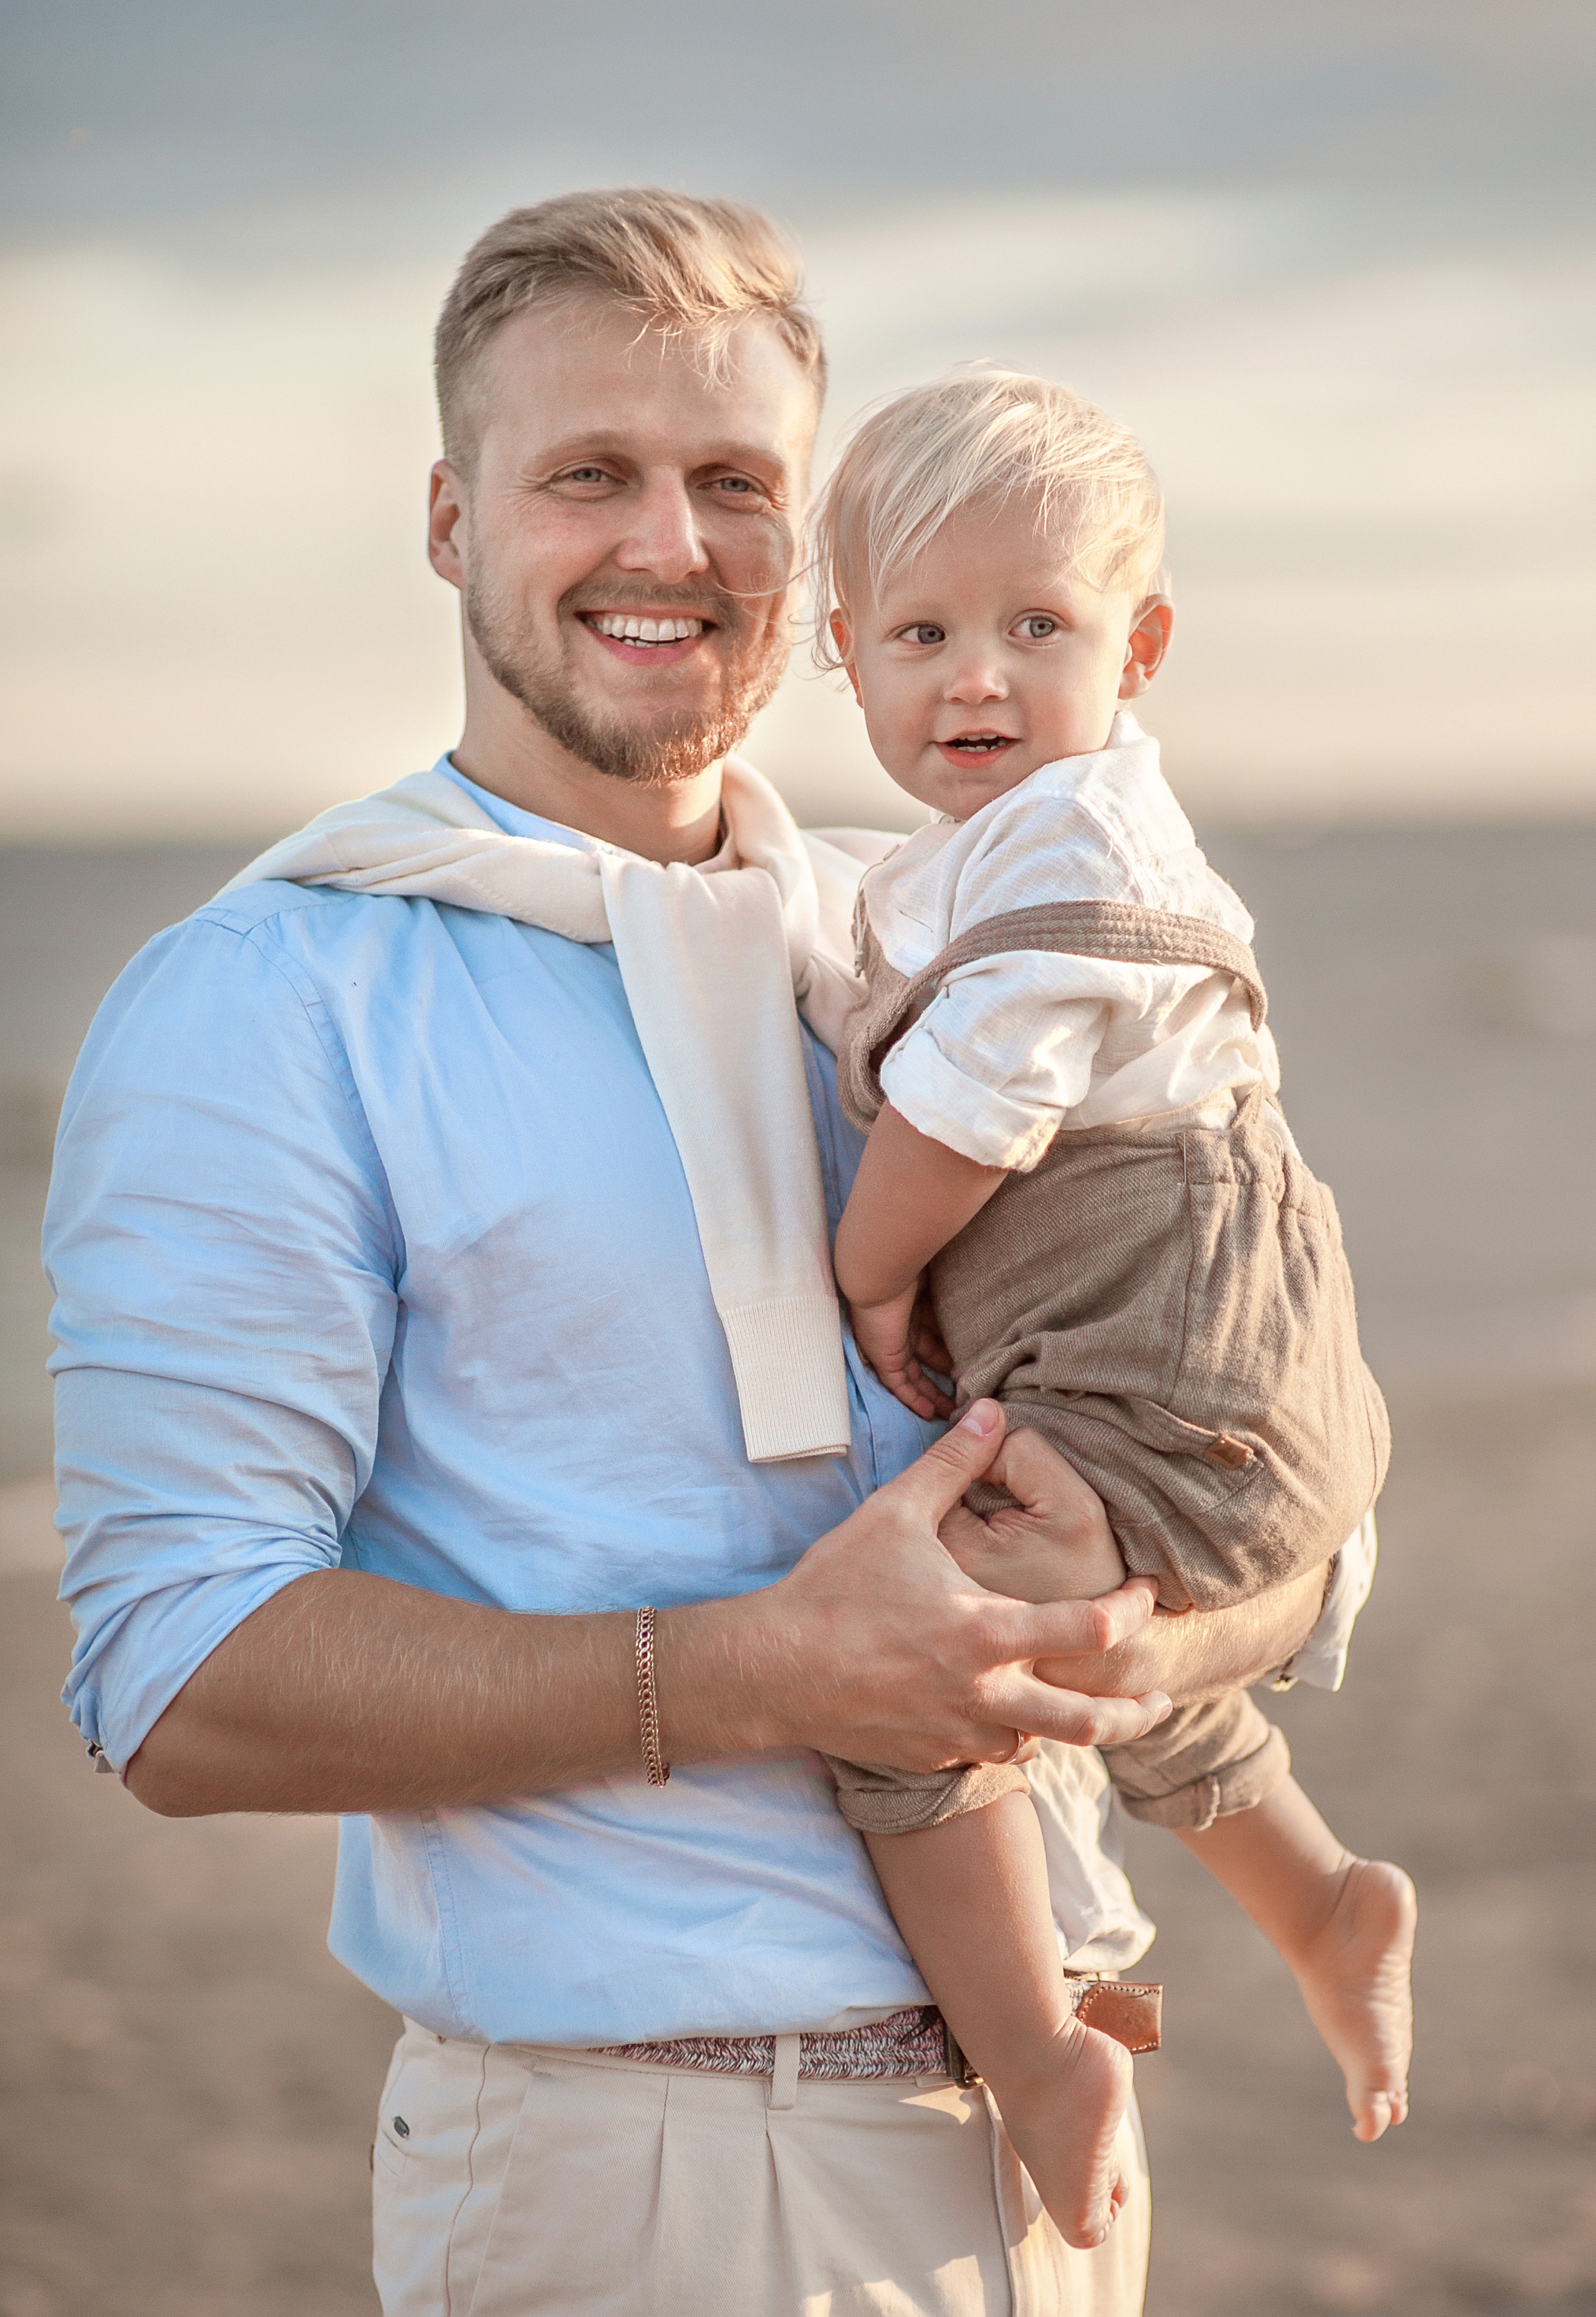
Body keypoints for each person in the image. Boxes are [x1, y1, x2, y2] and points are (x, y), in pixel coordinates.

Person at [45, 189, 1369, 2317]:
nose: (669, 545)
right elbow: (174, 1680)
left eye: (736, 485)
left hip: (1057, 2159)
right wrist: (760, 1674)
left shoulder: (937, 947)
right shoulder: (272, 999)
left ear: (811, 556)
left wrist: (1174, 1641)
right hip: (635, 2170)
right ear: (454, 520)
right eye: (589, 475)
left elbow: (1258, 1412)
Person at [802, 369, 1417, 2250]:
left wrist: (873, 1270)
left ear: (1136, 646)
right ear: (844, 654)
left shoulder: (1068, 855)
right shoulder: (976, 860)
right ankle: (1319, 1900)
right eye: (923, 634)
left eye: (1038, 629)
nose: (976, 678)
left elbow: (971, 1118)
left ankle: (1039, 2045)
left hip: (1175, 1356)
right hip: (1221, 1361)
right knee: (1099, 1660)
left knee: (914, 1697)